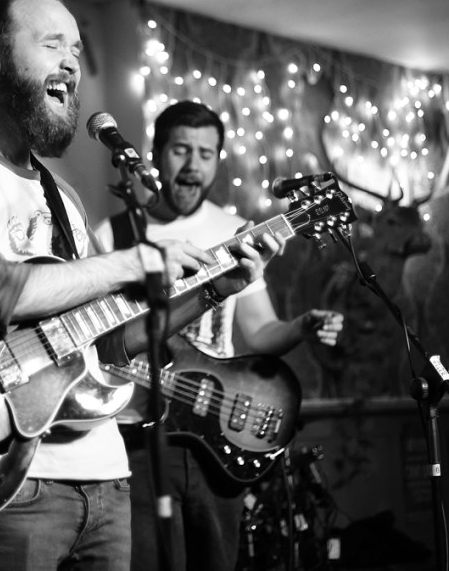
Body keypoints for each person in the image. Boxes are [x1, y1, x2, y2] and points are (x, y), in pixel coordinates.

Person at [0, 0, 283, 571]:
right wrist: (131, 262)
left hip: (107, 479)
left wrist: (218, 287)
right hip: (11, 485)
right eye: (52, 45)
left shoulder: (63, 198)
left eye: (75, 48)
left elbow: (114, 340)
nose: (71, 62)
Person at [94, 100, 344, 571]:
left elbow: (260, 332)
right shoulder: (113, 234)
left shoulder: (233, 229)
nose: (193, 165)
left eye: (206, 154)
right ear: (156, 154)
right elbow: (102, 346)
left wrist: (301, 327)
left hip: (218, 436)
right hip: (141, 436)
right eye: (180, 150)